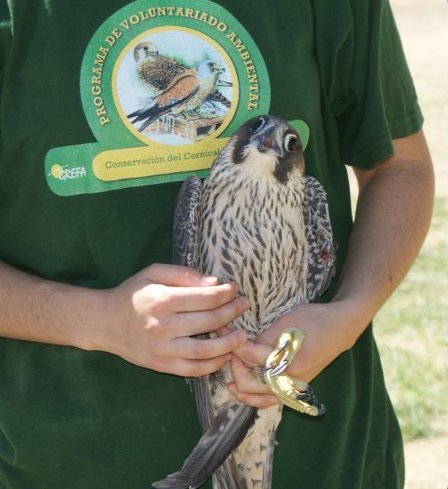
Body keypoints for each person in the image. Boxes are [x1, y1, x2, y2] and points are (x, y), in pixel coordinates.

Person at [0, 1, 434, 488]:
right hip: (74, 462)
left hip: (325, 463)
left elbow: (400, 166)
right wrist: (94, 320)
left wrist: (348, 314)